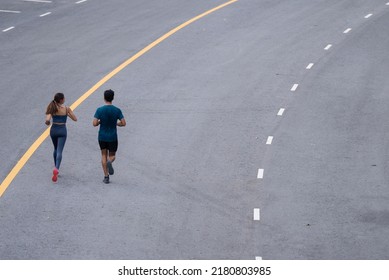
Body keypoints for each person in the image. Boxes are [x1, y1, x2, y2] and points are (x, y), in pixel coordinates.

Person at [93, 89, 126, 184]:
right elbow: (123, 123)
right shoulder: (117, 110)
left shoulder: (99, 110)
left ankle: (106, 176)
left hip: (102, 137)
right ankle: (110, 161)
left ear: (104, 98)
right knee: (112, 156)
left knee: (103, 154)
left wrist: (100, 121)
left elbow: (94, 123)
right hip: (112, 137)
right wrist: (117, 124)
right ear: (113, 98)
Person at [45, 92, 77, 182]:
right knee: (60, 150)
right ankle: (57, 168)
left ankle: (55, 167)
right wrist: (68, 114)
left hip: (54, 130)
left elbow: (47, 119)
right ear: (61, 100)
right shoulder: (66, 109)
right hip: (62, 130)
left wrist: (48, 121)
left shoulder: (52, 108)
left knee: (55, 148)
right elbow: (75, 119)